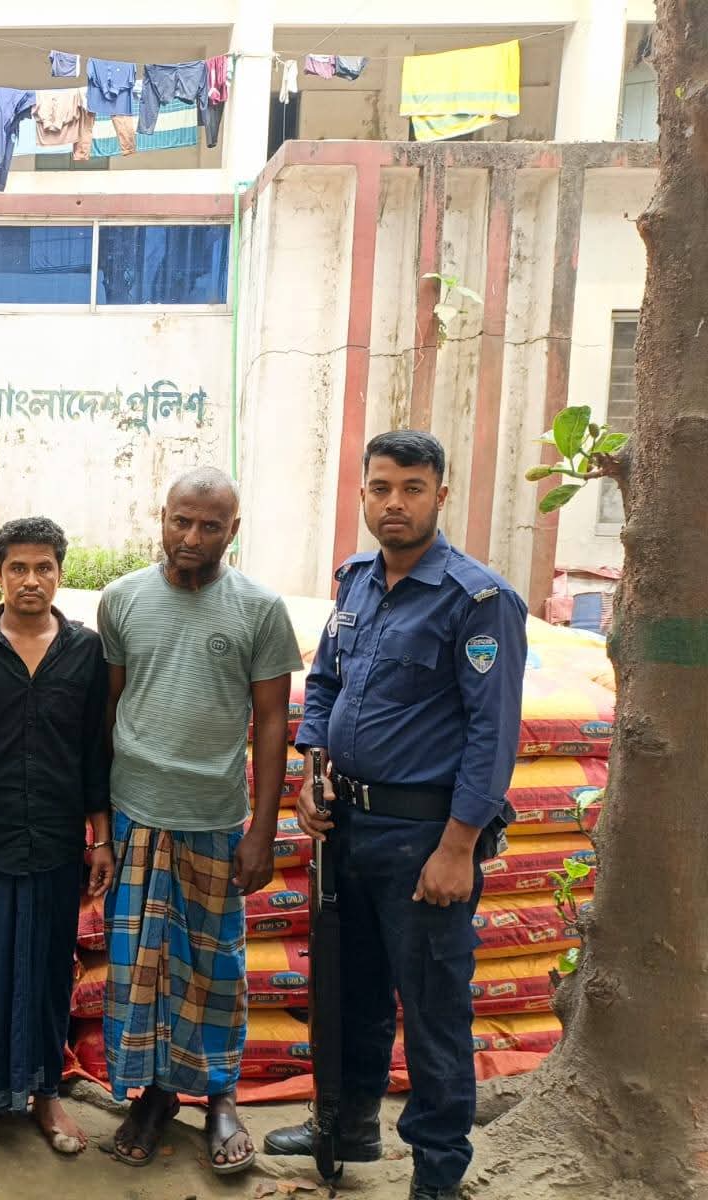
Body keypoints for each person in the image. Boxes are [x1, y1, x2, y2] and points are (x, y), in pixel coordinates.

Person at [263, 431, 526, 1200]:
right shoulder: (355, 582)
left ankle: (437, 1174)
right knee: (353, 990)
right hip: (346, 826)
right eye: (381, 488)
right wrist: (311, 771)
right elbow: (325, 683)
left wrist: (458, 847)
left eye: (412, 488)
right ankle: (348, 1126)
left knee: (434, 1007)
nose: (394, 503)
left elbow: (493, 735)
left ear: (440, 495)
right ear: (363, 494)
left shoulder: (478, 600)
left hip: (425, 837)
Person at [96, 467, 301, 1175]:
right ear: (162, 516)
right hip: (134, 815)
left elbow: (271, 721)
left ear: (232, 530)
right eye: (181, 520)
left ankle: (219, 1096)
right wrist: (100, 823)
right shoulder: (122, 599)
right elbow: (108, 707)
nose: (191, 536)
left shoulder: (260, 609)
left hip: (214, 819)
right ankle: (154, 1095)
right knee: (142, 966)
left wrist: (263, 831)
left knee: (215, 967)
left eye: (210, 526)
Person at [0, 517, 113, 1156]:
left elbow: (95, 751)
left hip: (58, 840)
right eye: (17, 568)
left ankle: (46, 1093)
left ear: (60, 574)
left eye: (43, 568)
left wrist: (101, 837)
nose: (30, 580)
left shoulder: (86, 651)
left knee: (50, 968)